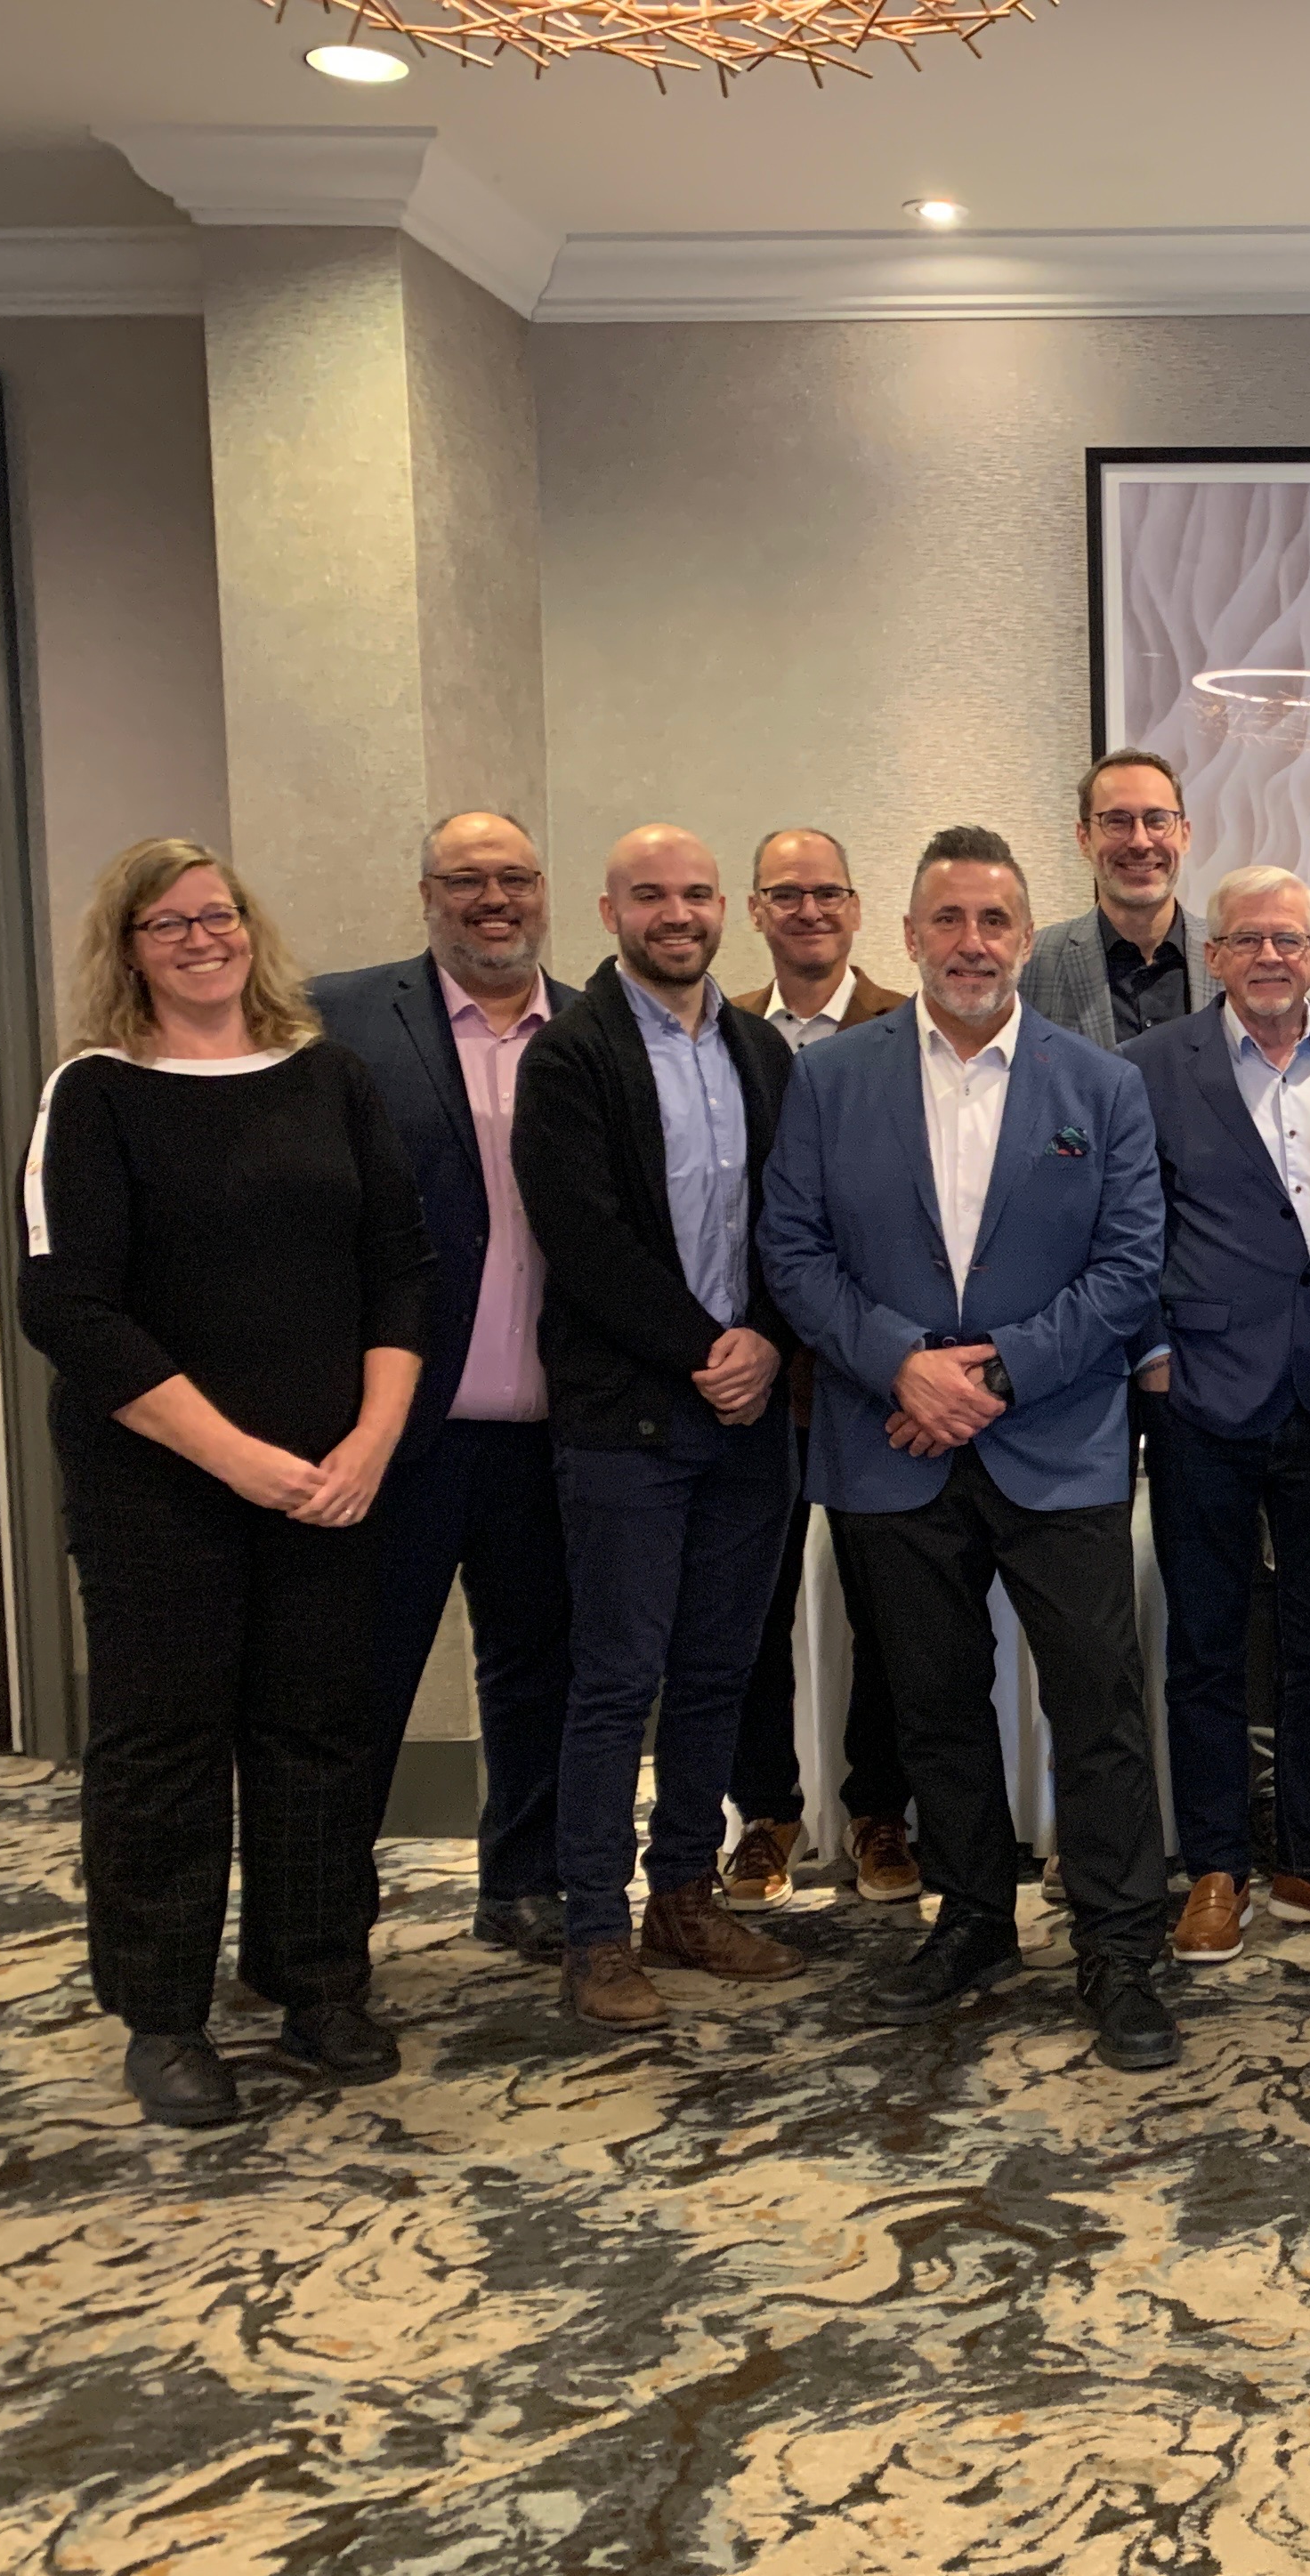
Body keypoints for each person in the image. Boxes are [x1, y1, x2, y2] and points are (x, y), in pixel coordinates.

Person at [19, 838, 433, 2126]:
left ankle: (316, 1981)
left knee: (319, 1731)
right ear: (127, 950)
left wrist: (369, 1443)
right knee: (166, 1745)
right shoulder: (93, 1094)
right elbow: (68, 1309)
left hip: (329, 1478)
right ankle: (164, 2015)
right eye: (166, 925)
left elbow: (400, 1271)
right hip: (163, 1483)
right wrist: (234, 1455)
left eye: (218, 915)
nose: (202, 939)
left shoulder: (330, 1077)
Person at [761, 826, 1182, 2070]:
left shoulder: (1098, 1085)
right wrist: (899, 1362)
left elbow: (1128, 1269)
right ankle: (974, 1918)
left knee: (1098, 1706)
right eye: (946, 920)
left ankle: (1119, 1944)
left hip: (1056, 1444)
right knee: (934, 1706)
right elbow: (792, 1252)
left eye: (994, 921)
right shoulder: (832, 1081)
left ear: (1024, 935)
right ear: (907, 935)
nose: (970, 944)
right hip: (891, 1446)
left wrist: (988, 1375)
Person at [512, 825, 806, 2031]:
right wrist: (708, 1349)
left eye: (694, 894)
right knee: (615, 1678)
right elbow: (581, 1243)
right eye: (650, 896)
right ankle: (595, 1931)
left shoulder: (759, 1048)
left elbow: (795, 1217)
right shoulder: (570, 1055)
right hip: (628, 1418)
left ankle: (685, 1893)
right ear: (609, 909)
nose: (675, 914)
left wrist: (771, 1342)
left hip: (749, 1422)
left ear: (723, 907)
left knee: (716, 1674)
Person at [1123, 863, 1310, 1964]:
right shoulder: (1149, 1068)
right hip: (1198, 1395)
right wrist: (1148, 1350)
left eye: (1289, 941)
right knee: (1203, 1642)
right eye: (1247, 940)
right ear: (1215, 957)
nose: (1269, 959)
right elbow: (1129, 1224)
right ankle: (1214, 1867)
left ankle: (1308, 1855)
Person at [311, 812, 578, 1966]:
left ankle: (521, 1884)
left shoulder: (593, 1024)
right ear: (425, 892)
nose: (493, 900)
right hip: (399, 1428)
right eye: (466, 881)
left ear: (544, 892)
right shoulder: (341, 1020)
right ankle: (323, 1919)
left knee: (540, 1673)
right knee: (360, 1682)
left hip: (555, 1425)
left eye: (513, 878)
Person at [720, 827, 918, 1914]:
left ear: (855, 908)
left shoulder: (905, 1025)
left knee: (888, 1605)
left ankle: (881, 1810)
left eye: (826, 893)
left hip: (874, 1371)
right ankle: (768, 1816)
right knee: (752, 1607)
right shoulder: (724, 1031)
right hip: (757, 1378)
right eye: (785, 895)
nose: (807, 911)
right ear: (757, 910)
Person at [1020, 749, 1219, 1051]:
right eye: (1116, 821)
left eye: (1157, 820)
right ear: (1083, 839)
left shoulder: (1233, 959)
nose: (1140, 841)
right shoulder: (1030, 965)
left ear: (1185, 835)